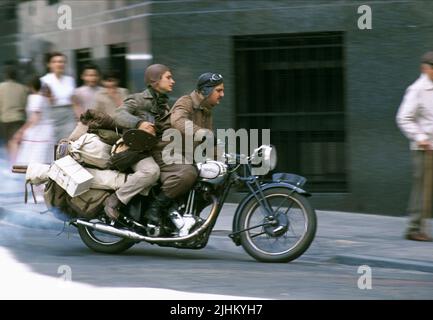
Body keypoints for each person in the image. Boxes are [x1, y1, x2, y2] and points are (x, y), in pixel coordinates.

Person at [145, 72, 224, 226]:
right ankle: (154, 209)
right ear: (206, 90)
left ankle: (187, 214)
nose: (222, 94)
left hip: (185, 155)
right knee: (188, 173)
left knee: (216, 180)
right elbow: (178, 121)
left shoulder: (206, 110)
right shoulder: (186, 102)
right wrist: (202, 132)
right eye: (218, 90)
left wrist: (223, 159)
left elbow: (209, 143)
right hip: (165, 153)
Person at [105, 64, 175, 221]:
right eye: (168, 77)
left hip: (155, 150)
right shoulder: (138, 99)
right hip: (135, 152)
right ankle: (115, 200)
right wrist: (139, 123)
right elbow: (118, 115)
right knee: (151, 172)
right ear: (155, 80)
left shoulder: (164, 106)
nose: (173, 81)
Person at [396, 51, 433, 242]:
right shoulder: (417, 89)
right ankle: (413, 228)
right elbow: (403, 117)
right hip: (424, 150)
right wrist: (420, 138)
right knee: (422, 191)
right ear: (425, 68)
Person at [13, 76, 54, 165]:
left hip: (37, 132)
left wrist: (22, 130)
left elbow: (35, 118)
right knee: (45, 160)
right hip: (47, 131)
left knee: (33, 160)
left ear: (31, 86)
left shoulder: (34, 98)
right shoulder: (46, 99)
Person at [40, 52, 76, 143]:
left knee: (66, 142)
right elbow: (44, 102)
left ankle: (63, 157)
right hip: (52, 115)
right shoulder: (44, 80)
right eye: (55, 62)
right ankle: (56, 157)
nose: (59, 64)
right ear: (49, 65)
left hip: (68, 115)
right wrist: (49, 98)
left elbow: (74, 101)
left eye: (62, 61)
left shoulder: (70, 80)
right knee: (53, 143)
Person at [0, 64, 28, 163]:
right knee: (17, 142)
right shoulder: (23, 88)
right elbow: (25, 104)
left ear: (5, 75)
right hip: (19, 118)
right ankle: (16, 162)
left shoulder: (1, 87)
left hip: (5, 119)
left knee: (8, 142)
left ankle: (11, 162)